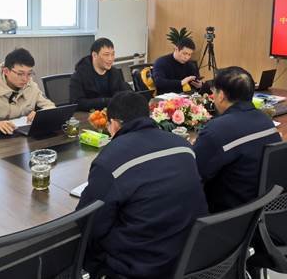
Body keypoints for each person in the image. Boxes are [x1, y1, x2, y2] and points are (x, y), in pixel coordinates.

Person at [77, 91, 207, 279]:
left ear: (114, 123)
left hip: (141, 267)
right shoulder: (183, 145)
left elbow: (89, 222)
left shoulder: (111, 158)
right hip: (190, 256)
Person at [193, 66, 281, 213]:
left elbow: (194, 173)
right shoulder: (265, 119)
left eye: (214, 92)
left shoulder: (217, 129)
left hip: (229, 213)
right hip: (261, 205)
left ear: (221, 95)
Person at [0, 48, 55, 133]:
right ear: (6, 71)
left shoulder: (32, 87)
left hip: (23, 137)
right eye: (20, 74)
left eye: (29, 74)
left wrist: (40, 114)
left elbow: (50, 107)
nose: (25, 79)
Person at [69, 38, 130, 111]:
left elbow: (125, 94)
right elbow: (77, 103)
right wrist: (104, 101)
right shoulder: (79, 75)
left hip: (113, 114)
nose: (110, 59)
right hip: (89, 115)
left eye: (112, 54)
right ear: (94, 55)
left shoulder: (115, 73)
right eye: (106, 55)